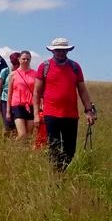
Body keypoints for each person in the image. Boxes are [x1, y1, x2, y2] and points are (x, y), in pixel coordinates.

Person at [33, 37, 96, 170]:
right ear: (53, 51)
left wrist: (89, 110)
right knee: (54, 146)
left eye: (63, 50)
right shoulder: (44, 66)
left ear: (68, 51)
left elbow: (82, 90)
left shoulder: (75, 67)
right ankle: (57, 175)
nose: (60, 53)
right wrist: (36, 114)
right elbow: (37, 92)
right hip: (50, 114)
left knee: (70, 150)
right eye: (58, 50)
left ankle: (60, 171)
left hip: (71, 114)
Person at [7, 50, 37, 141]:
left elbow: (38, 92)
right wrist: (8, 111)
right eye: (23, 59)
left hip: (31, 106)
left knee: (28, 136)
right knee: (22, 134)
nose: (26, 61)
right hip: (17, 106)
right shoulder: (13, 74)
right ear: (19, 59)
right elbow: (9, 93)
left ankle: (23, 153)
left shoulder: (35, 74)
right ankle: (13, 148)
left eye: (28, 59)